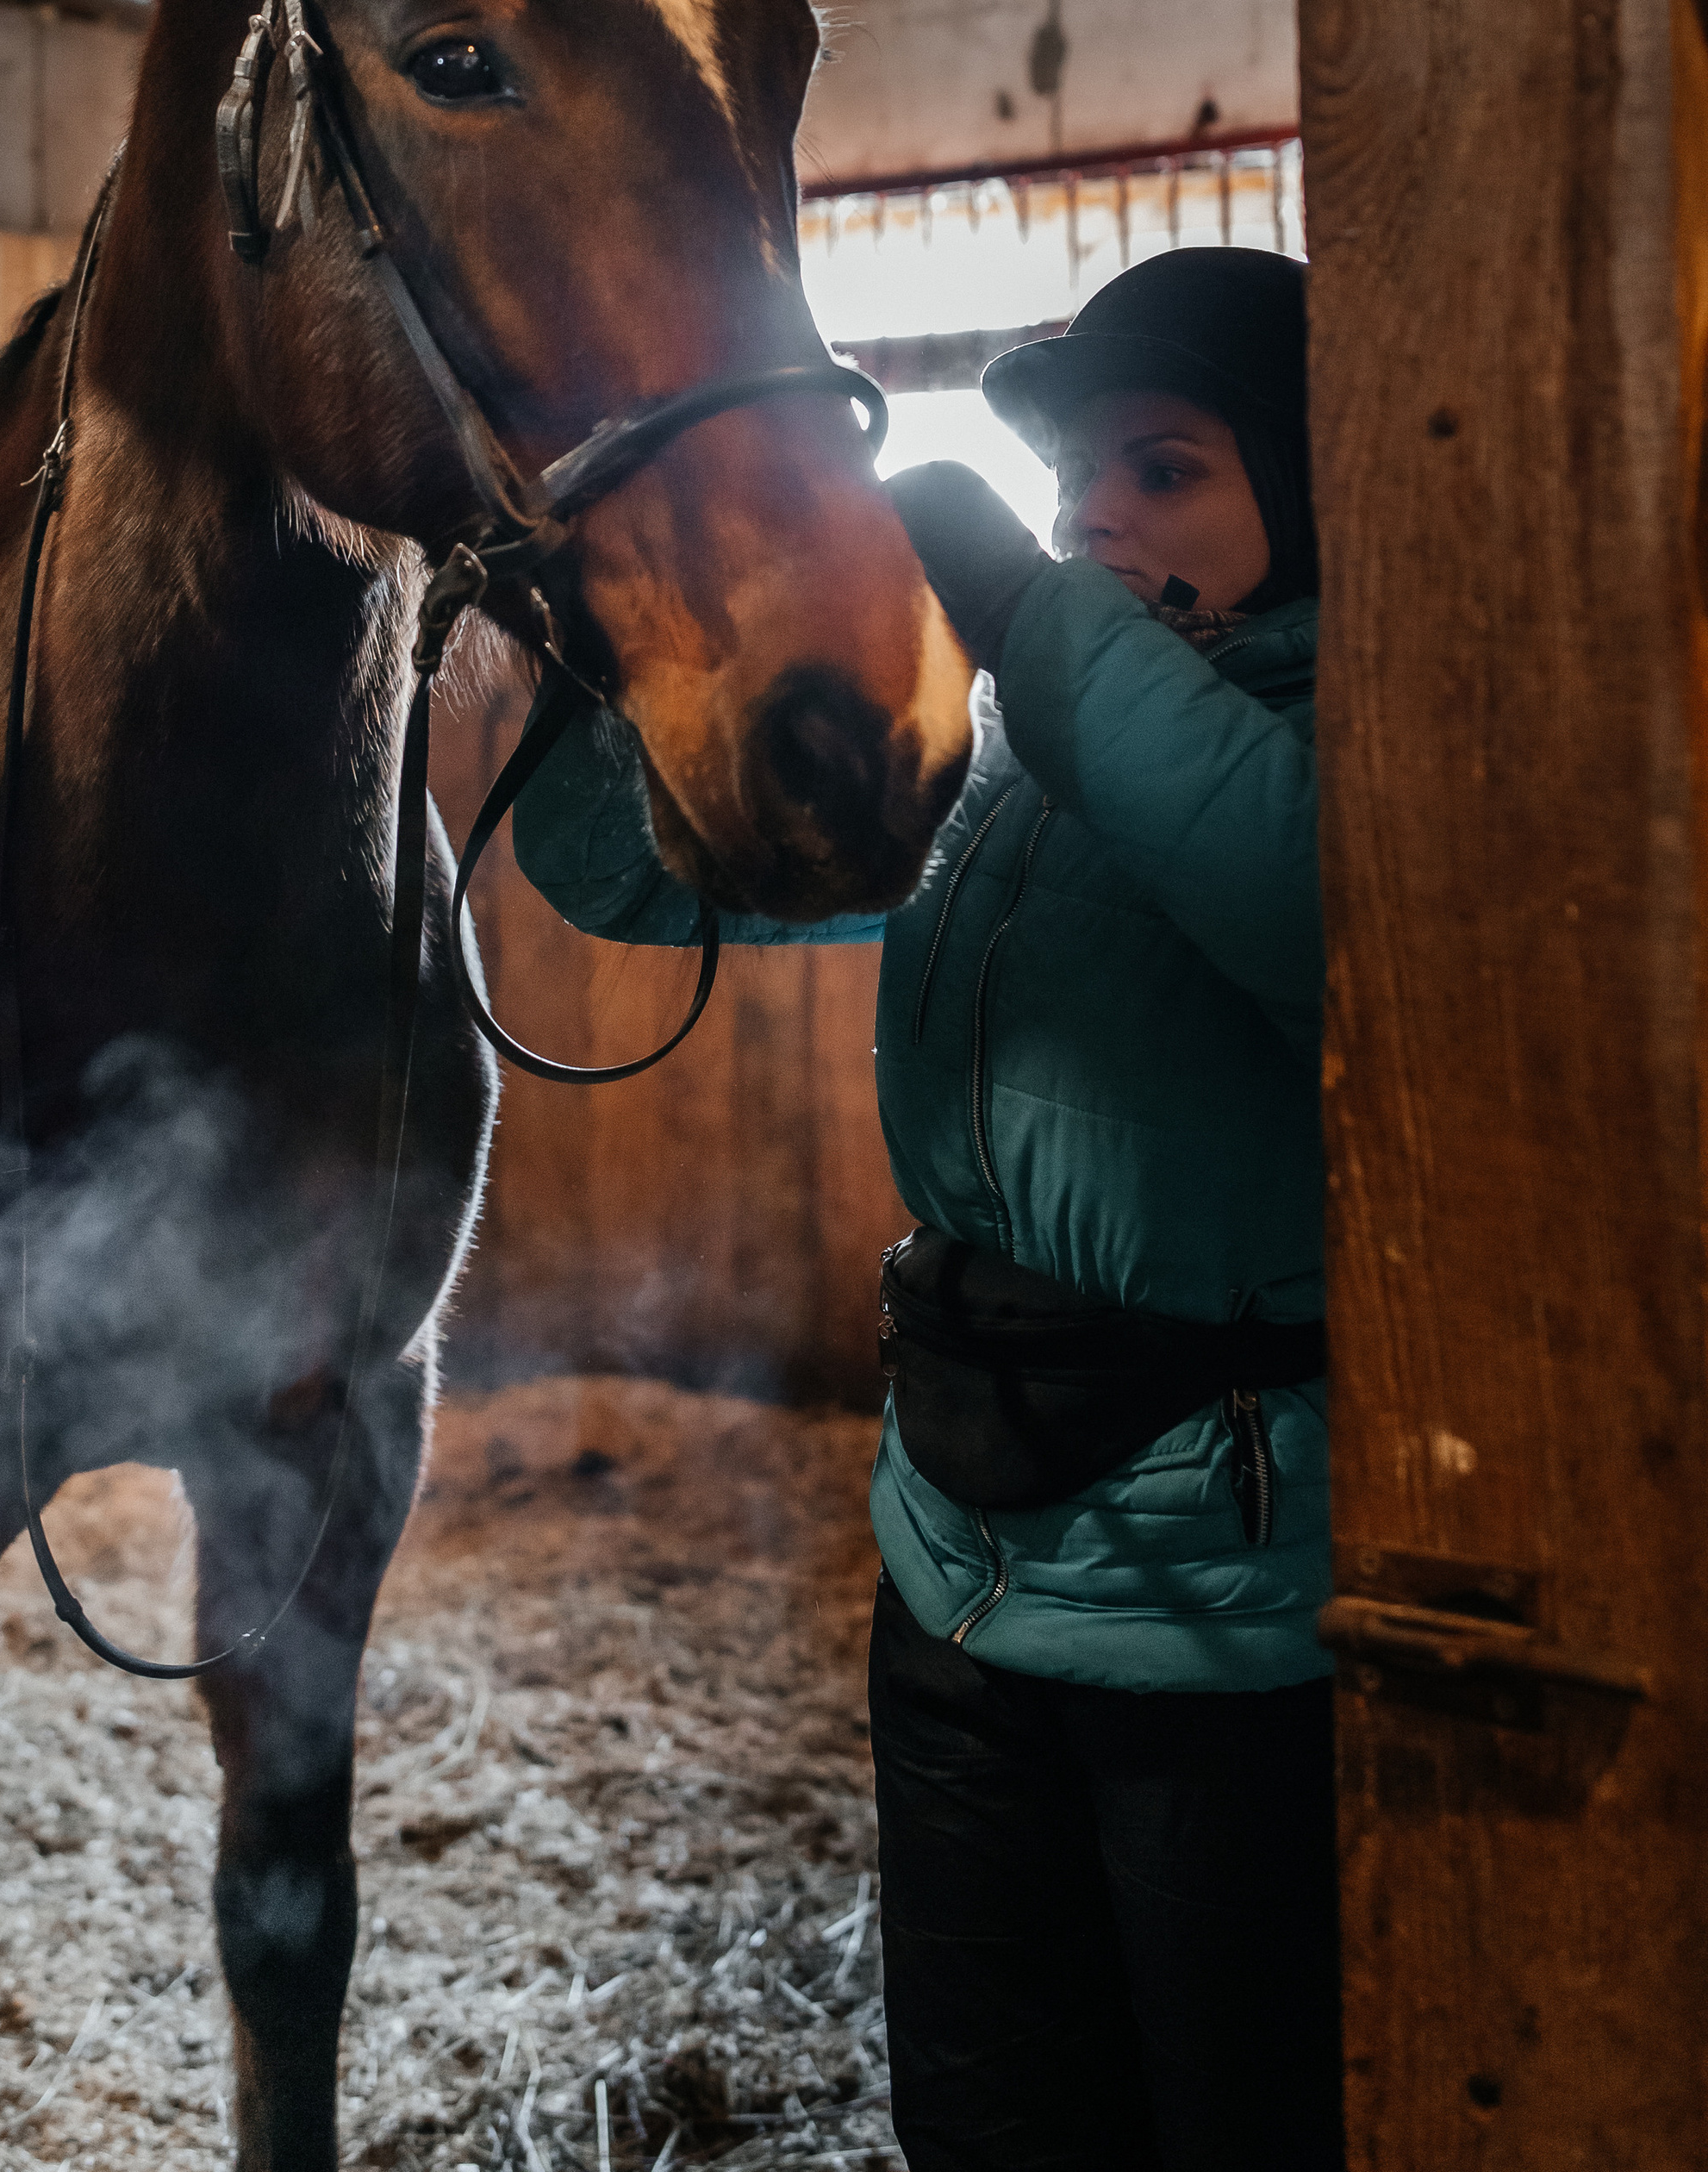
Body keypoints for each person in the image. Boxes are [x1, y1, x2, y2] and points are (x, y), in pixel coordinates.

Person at [512, 247, 1337, 2172]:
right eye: (1079, 486)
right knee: (985, 2117)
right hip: (958, 1561)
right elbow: (633, 884)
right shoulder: (1018, 756)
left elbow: (1299, 906)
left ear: (1305, 488)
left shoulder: (1355, 744)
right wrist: (591, 644)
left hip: (1218, 1618)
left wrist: (1022, 594)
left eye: (1166, 469)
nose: (1100, 518)